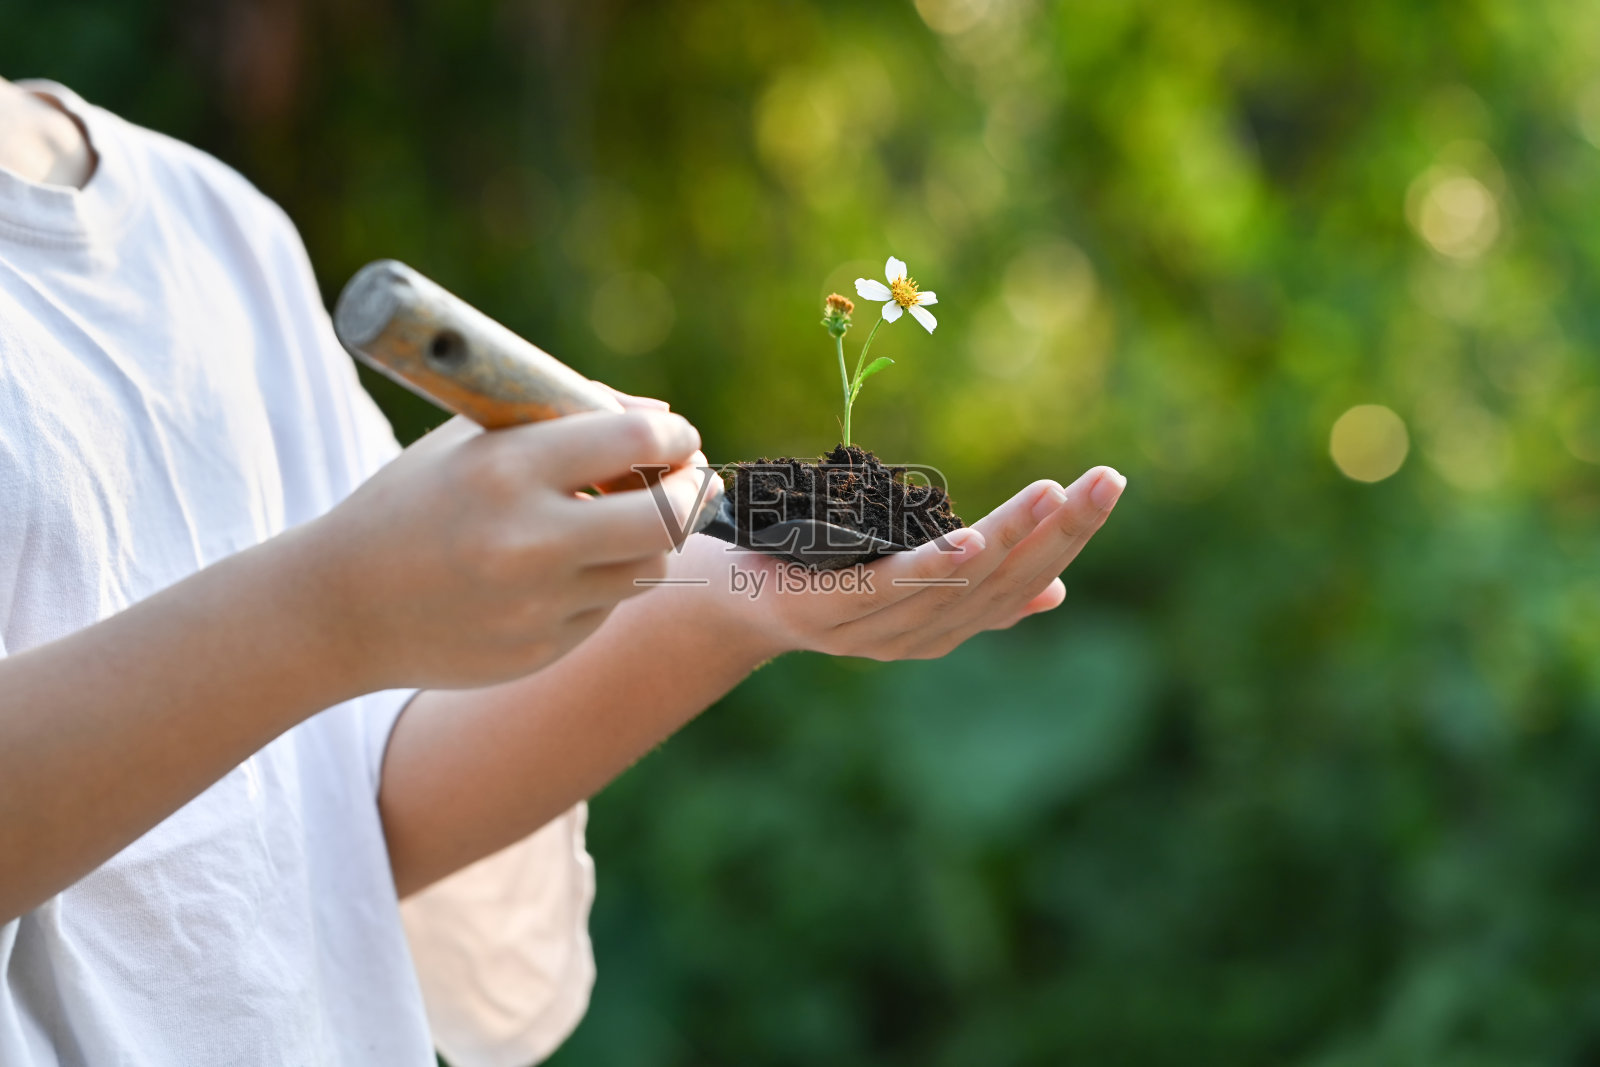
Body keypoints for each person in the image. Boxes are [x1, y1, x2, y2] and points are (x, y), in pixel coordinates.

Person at [0, 76, 1127, 1065]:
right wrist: (331, 609)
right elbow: (330, 622)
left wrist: (743, 602)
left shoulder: (211, 228)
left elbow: (337, 820)